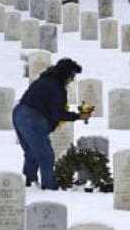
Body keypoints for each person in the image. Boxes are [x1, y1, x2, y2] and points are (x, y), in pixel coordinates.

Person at [13, 58, 90, 190]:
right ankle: (49, 187)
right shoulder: (57, 89)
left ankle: (29, 183)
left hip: (18, 113)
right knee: (46, 156)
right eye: (72, 76)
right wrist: (78, 116)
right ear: (65, 75)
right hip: (32, 119)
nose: (72, 80)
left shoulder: (44, 80)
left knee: (32, 153)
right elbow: (57, 114)